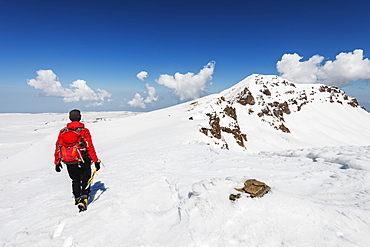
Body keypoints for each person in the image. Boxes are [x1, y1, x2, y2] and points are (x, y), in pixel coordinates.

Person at [54, 109, 101, 210]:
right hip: (83, 159)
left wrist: (57, 162)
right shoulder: (84, 131)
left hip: (69, 159)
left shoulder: (63, 131)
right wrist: (96, 160)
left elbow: (58, 146)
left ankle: (77, 196)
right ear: (80, 117)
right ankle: (84, 197)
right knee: (86, 177)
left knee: (75, 179)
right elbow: (89, 147)